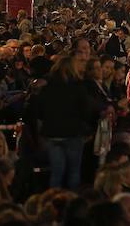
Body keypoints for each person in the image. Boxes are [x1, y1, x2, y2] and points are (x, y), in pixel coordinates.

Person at [35, 55, 92, 189]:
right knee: (73, 171)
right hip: (72, 133)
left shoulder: (47, 88)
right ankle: (71, 201)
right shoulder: (78, 88)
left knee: (56, 172)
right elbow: (86, 111)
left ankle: (54, 200)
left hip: (52, 134)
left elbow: (40, 111)